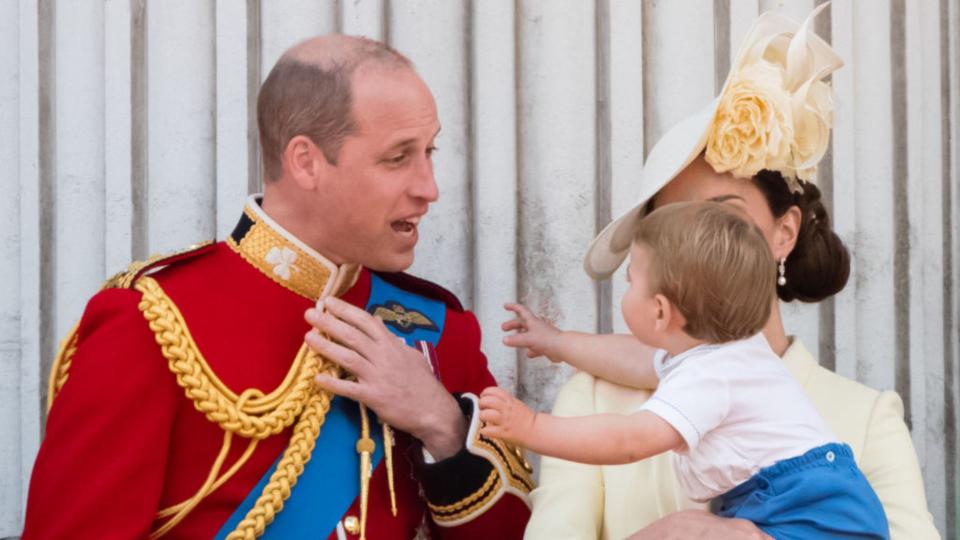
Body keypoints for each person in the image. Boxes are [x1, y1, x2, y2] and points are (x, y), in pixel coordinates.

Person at [22, 35, 531, 539]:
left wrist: (441, 423)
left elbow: (517, 531)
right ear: (305, 162)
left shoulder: (436, 327)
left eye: (429, 151)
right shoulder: (153, 322)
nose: (430, 187)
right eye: (398, 158)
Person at [523, 5, 940, 540]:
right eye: (672, 227)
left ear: (784, 233)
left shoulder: (867, 417)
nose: (696, 246)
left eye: (723, 217)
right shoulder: (592, 403)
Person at [481, 201, 889, 538]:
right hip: (815, 509)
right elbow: (635, 359)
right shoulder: (726, 352)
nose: (626, 290)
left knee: (683, 531)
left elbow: (629, 439)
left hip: (814, 519)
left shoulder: (711, 376)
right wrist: (559, 342)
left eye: (630, 281)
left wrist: (531, 427)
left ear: (659, 311)